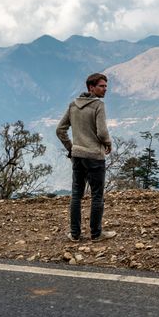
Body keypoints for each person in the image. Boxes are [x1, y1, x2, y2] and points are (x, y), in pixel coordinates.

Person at [56, 72, 116, 242]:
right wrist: (108, 143)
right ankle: (96, 234)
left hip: (77, 156)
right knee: (97, 195)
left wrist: (71, 148)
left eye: (105, 86)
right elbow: (102, 132)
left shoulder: (73, 105)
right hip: (94, 157)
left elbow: (60, 130)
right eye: (102, 86)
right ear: (91, 87)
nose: (105, 89)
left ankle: (74, 234)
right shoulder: (98, 105)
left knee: (76, 195)